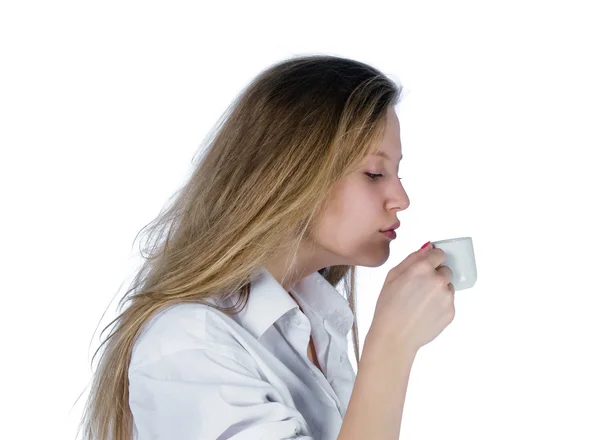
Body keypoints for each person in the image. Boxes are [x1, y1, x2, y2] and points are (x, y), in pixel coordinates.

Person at [77, 54, 455, 440]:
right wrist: (391, 347)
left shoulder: (317, 323)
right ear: (292, 174)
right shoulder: (189, 344)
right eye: (374, 173)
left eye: (396, 172)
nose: (401, 198)